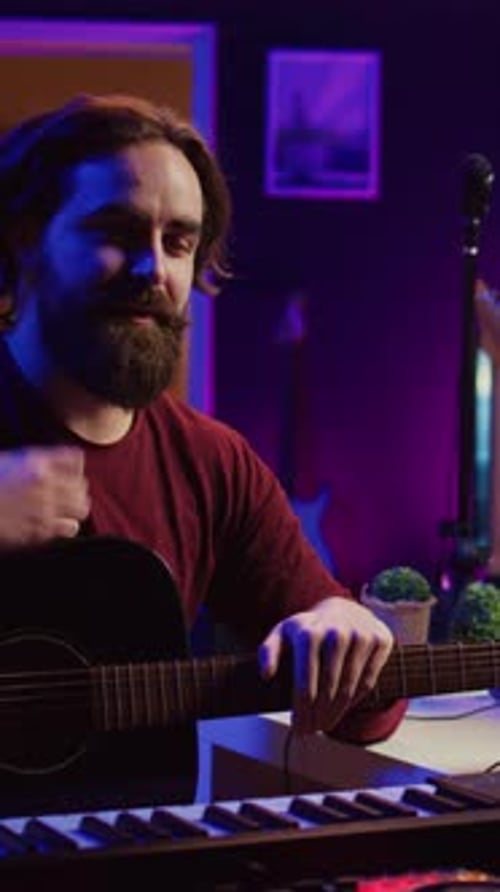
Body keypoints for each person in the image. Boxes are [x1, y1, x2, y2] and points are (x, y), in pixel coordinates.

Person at [0, 92, 406, 744]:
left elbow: (367, 716)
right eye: (116, 233)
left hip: (126, 840)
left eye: (178, 242)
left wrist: (345, 630)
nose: (153, 269)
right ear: (24, 240)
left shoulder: (210, 463)